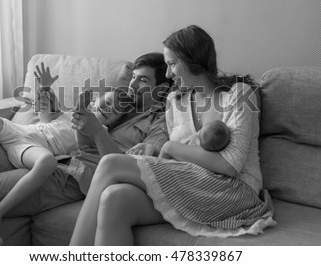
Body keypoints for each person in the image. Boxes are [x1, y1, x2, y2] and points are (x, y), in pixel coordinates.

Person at [0, 52, 171, 245]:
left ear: (160, 90)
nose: (133, 85)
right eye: (134, 78)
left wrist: (95, 131)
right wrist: (77, 116)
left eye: (143, 81)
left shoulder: (158, 122)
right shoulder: (118, 103)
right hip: (46, 159)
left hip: (67, 179)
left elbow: (129, 169)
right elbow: (62, 124)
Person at [69, 25, 276, 246]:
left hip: (233, 191)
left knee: (111, 164)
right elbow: (166, 149)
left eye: (172, 64)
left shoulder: (239, 94)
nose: (168, 74)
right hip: (190, 186)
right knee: (114, 198)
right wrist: (155, 148)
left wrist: (170, 147)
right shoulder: (175, 101)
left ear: (192, 60)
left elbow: (230, 165)